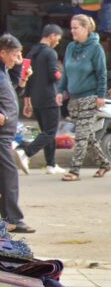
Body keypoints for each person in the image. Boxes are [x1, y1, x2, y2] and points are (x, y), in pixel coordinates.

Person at [57, 15, 110, 181]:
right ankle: (104, 163)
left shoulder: (96, 48)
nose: (72, 31)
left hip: (90, 97)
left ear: (86, 29)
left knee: (81, 136)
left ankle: (74, 171)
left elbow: (102, 73)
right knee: (88, 136)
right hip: (74, 100)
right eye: (71, 28)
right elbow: (66, 72)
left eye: (76, 28)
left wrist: (101, 95)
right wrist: (60, 91)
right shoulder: (70, 47)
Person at [17, 25, 63, 176]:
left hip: (36, 99)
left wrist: (27, 101)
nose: (58, 42)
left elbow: (26, 78)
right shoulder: (50, 53)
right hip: (50, 97)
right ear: (52, 36)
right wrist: (62, 74)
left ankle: (51, 164)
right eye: (58, 38)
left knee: (46, 132)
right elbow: (53, 75)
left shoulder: (31, 53)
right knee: (50, 131)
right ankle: (25, 152)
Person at [0, 35, 31, 233]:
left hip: (6, 134)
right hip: (1, 135)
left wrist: (21, 74)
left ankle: (10, 219)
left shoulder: (4, 72)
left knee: (6, 177)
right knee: (9, 176)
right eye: (14, 55)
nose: (17, 59)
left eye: (20, 55)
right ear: (3, 53)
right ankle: (14, 219)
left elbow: (11, 94)